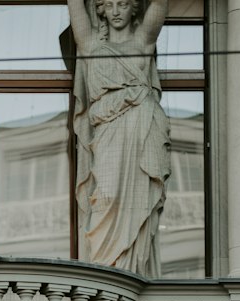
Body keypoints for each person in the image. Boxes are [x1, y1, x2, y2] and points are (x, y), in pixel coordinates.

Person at [65, 0, 170, 275]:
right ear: (99, 10)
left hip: (144, 129)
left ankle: (132, 273)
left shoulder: (142, 43)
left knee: (139, 201)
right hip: (108, 133)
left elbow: (159, 5)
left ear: (134, 8)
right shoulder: (89, 45)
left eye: (122, 4)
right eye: (108, 5)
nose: (115, 11)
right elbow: (75, 7)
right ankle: (105, 275)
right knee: (107, 196)